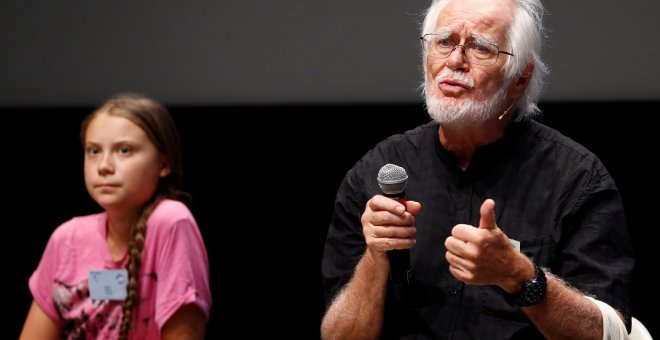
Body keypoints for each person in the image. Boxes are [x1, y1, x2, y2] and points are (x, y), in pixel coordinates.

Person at [321, 0, 634, 339]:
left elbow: (610, 334)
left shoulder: (577, 179)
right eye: (444, 42)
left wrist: (520, 277)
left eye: (481, 48)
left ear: (520, 79)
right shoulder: (377, 170)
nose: (454, 61)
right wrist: (376, 256)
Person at [20, 93, 212, 339]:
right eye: (94, 151)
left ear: (164, 163)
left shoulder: (171, 221)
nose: (104, 166)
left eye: (124, 150)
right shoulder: (67, 238)